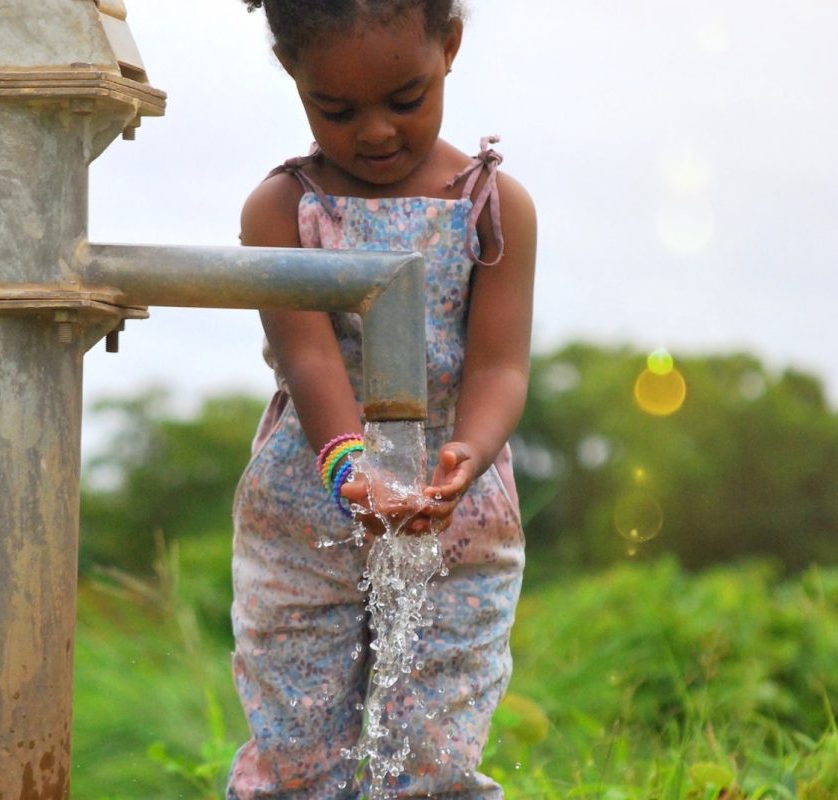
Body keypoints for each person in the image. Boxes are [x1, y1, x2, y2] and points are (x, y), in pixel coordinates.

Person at [230, 1, 537, 797]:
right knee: (298, 750)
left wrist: (470, 450)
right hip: (313, 504)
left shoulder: (492, 208)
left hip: (453, 510)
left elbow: (499, 367)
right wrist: (348, 466)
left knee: (432, 754)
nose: (373, 132)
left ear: (451, 48)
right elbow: (309, 354)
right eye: (336, 109)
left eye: (406, 99)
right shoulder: (280, 213)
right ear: (294, 78)